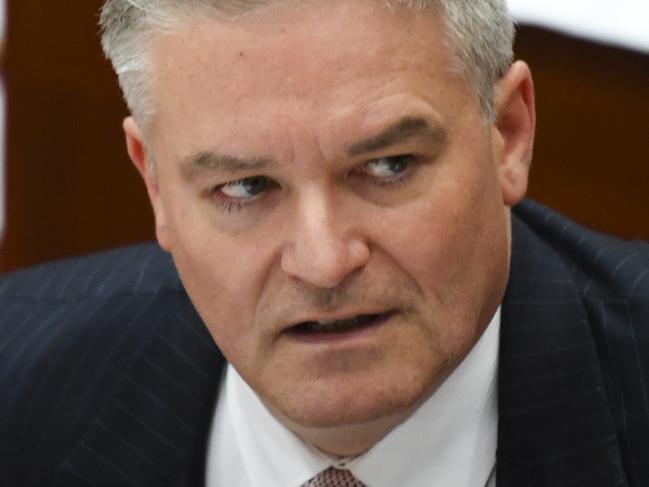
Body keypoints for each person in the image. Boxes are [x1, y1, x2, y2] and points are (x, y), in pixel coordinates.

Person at [1, 0, 648, 486]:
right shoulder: (18, 382)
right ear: (156, 186)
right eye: (247, 186)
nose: (323, 261)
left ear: (506, 135)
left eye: (389, 166)